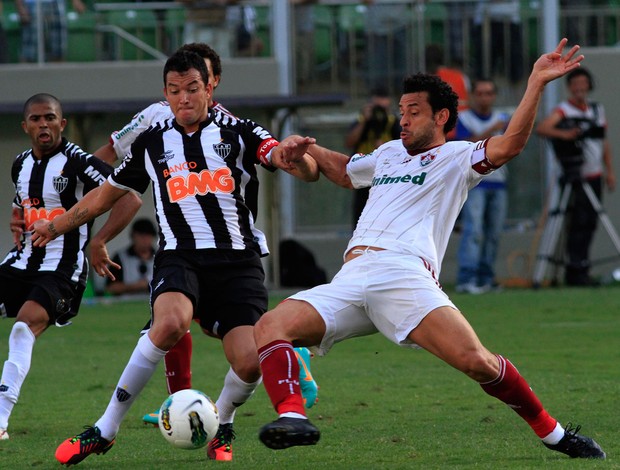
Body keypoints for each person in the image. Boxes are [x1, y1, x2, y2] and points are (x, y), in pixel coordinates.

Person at [253, 40, 606, 460]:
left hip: (403, 276)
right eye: (401, 112)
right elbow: (346, 171)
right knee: (270, 326)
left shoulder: (457, 157)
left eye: (413, 113)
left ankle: (556, 435)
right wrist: (303, 148)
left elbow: (510, 144)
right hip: (351, 277)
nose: (402, 121)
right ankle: (292, 417)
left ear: (441, 117)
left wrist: (535, 83)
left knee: (478, 362)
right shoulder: (387, 154)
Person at [31, 50, 320, 465]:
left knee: (248, 360)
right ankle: (105, 429)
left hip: (238, 262)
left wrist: (297, 161)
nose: (183, 99)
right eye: (173, 91)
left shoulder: (238, 131)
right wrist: (55, 225)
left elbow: (284, 159)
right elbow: (104, 196)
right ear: (164, 93)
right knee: (168, 324)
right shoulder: (152, 141)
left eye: (192, 89)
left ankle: (221, 426)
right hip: (180, 257)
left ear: (210, 87)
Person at [0, 93, 141, 441]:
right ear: (25, 126)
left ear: (62, 124)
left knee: (23, 328)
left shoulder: (78, 161)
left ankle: (0, 419)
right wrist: (18, 219)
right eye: (35, 119)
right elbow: (23, 203)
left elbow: (130, 196)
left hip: (62, 269)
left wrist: (99, 240)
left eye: (50, 118)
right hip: (21, 261)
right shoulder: (20, 164)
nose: (43, 125)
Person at [535, 67, 615, 286]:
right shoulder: (563, 110)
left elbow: (603, 141)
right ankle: (574, 271)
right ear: (570, 87)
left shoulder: (596, 110)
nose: (580, 88)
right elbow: (542, 128)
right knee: (577, 222)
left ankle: (583, 266)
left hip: (593, 173)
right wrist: (565, 134)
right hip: (573, 174)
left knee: (590, 221)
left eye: (583, 83)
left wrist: (610, 172)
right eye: (575, 84)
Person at [455, 78, 511, 294]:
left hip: (498, 181)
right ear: (472, 96)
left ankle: (486, 277)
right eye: (480, 93)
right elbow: (466, 146)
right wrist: (492, 129)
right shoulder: (464, 118)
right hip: (475, 183)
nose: (484, 97)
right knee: (474, 230)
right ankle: (467, 278)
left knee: (494, 232)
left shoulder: (502, 119)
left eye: (488, 93)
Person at [344, 85, 401, 227]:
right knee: (360, 219)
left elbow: (401, 149)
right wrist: (365, 120)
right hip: (363, 177)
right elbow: (349, 142)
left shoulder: (393, 122)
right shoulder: (363, 121)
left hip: (387, 177)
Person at [15, 0, 86, 63]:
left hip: (56, 2)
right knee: (28, 52)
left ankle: (58, 77)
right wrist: (20, 6)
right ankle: (26, 77)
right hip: (31, 3)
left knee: (58, 51)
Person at [105, 218, 157, 297]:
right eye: (141, 235)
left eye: (148, 236)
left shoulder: (160, 258)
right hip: (125, 305)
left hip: (154, 304)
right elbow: (110, 288)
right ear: (133, 236)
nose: (145, 240)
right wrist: (136, 286)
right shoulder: (120, 258)